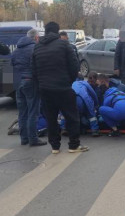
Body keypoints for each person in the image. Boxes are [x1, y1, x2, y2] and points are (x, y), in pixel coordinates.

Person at [32, 21, 89, 154]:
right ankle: (73, 145)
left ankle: (55, 147)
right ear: (57, 31)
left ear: (45, 31)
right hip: (63, 87)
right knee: (71, 116)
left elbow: (33, 70)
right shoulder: (64, 45)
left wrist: (41, 84)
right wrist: (69, 81)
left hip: (45, 90)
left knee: (51, 118)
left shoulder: (37, 47)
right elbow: (74, 66)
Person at [10, 29, 46, 146]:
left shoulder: (16, 51)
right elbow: (37, 68)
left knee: (22, 112)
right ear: (36, 38)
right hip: (30, 82)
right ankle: (33, 139)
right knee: (33, 111)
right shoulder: (35, 49)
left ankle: (24, 138)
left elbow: (12, 67)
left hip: (18, 83)